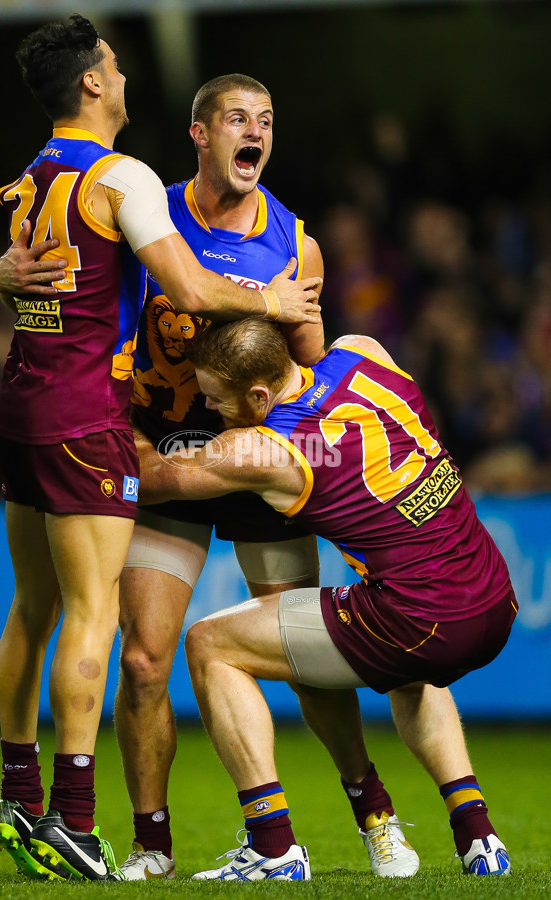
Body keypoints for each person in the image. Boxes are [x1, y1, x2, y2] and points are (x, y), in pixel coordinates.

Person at [0, 72, 425, 881]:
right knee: (144, 661)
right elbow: (53, 268)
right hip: (162, 452)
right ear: (201, 134)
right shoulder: (141, 213)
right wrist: (2, 275)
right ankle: (153, 843)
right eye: (236, 118)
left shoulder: (297, 244)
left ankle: (375, 816)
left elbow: (313, 372)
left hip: (258, 463)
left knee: (299, 653)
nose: (253, 131)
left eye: (265, 119)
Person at [136, 318, 518, 881]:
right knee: (411, 671)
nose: (212, 411)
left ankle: (273, 847)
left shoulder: (261, 448)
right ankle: (478, 837)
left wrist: (118, 412)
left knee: (208, 644)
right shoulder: (364, 352)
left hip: (420, 620)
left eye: (217, 400)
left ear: (259, 396)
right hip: (494, 599)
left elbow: (152, 477)